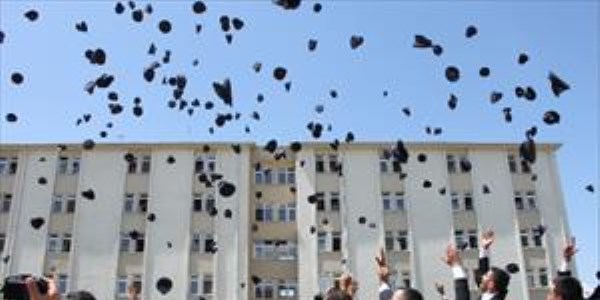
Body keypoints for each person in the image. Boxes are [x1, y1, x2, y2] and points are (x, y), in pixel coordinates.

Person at [444, 229, 511, 300]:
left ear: (491, 285)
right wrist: (484, 248)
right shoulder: (489, 294)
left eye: (486, 276)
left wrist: (456, 266)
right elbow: (481, 272)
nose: (482, 276)